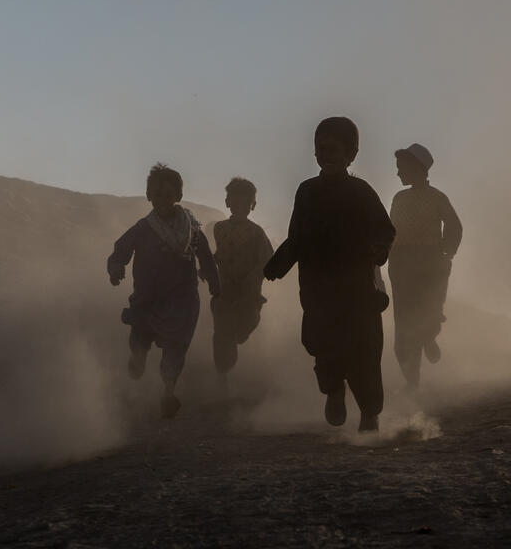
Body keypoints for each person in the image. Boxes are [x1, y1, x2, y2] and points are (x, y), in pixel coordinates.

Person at [264, 117, 396, 433]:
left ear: (351, 154)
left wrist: (379, 249)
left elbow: (384, 229)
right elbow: (296, 237)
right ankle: (334, 390)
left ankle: (369, 413)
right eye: (320, 149)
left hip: (358, 289)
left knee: (364, 352)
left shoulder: (361, 192)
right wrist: (276, 265)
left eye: (334, 149)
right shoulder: (306, 191)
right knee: (323, 346)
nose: (326, 155)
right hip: (318, 289)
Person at [108, 163, 220, 418]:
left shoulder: (191, 229)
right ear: (149, 196)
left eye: (167, 195)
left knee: (176, 348)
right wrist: (115, 268)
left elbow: (206, 258)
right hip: (148, 299)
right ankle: (137, 359)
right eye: (156, 194)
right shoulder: (143, 228)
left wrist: (215, 283)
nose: (161, 200)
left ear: (178, 196)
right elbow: (121, 250)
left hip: (182, 300)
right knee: (140, 338)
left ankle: (168, 393)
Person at [388, 143, 463, 388]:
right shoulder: (399, 199)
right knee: (404, 326)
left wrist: (446, 254)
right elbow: (389, 232)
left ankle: (429, 338)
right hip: (401, 266)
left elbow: (454, 227)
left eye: (402, 168)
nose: (398, 173)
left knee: (428, 315)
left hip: (430, 265)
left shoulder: (437, 198)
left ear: (416, 168)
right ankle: (412, 381)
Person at [210, 177, 273, 384]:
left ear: (252, 206)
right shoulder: (219, 229)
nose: (239, 207)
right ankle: (222, 374)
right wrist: (209, 267)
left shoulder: (257, 233)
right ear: (227, 202)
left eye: (244, 203)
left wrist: (255, 277)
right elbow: (218, 254)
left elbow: (267, 259)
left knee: (248, 322)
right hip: (224, 290)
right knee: (222, 333)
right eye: (234, 202)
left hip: (248, 292)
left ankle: (237, 339)